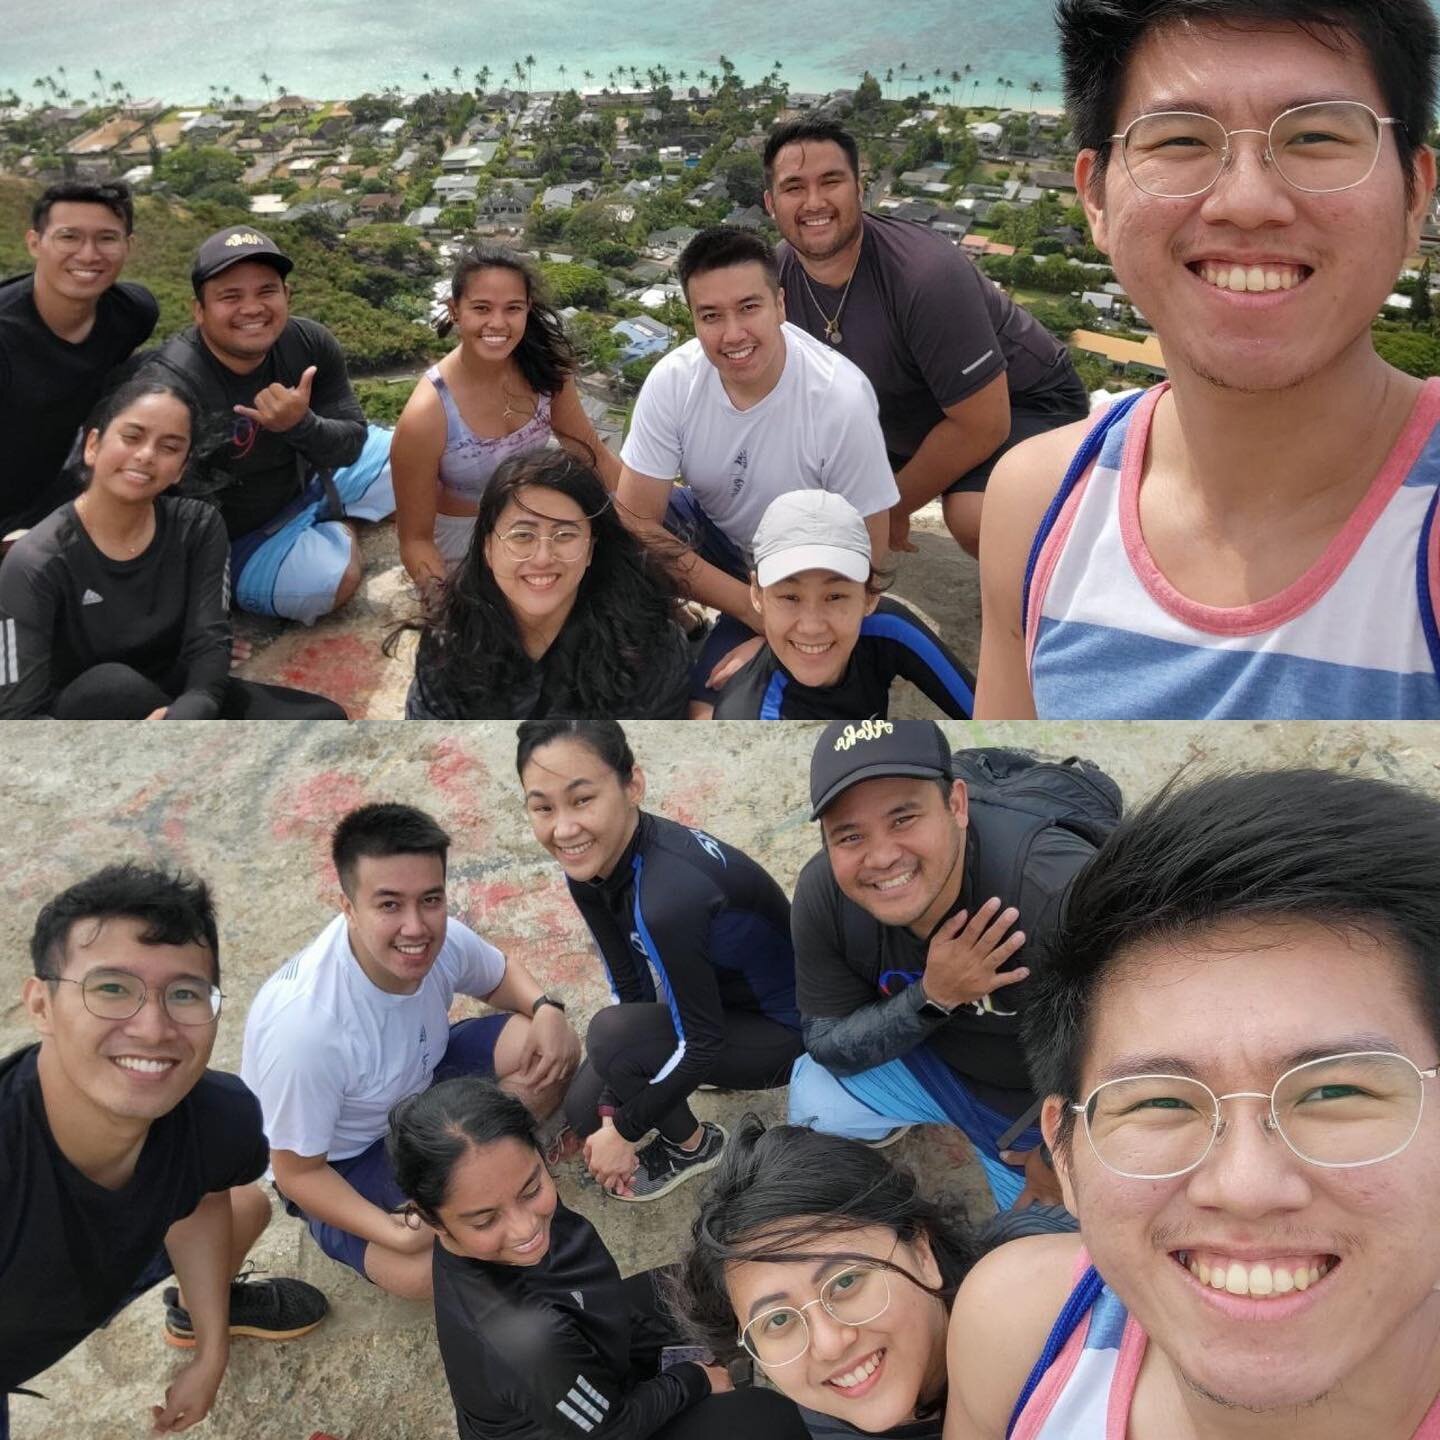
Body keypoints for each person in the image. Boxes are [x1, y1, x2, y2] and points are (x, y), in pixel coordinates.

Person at [975, 0, 1440, 720]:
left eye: (1315, 135)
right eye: (1182, 141)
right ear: (1094, 197)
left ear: (1417, 193)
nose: (1248, 202)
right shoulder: (1038, 507)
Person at [943, 767, 1440, 1440]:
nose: (1245, 1186)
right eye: (1161, 1104)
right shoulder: (1014, 1333)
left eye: (1334, 1091)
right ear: (1064, 1154)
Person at [1, 864, 328, 1440]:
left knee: (243, 1203)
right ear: (41, 1005)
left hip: (86, 1270)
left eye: (184, 993)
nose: (153, 1029)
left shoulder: (219, 1119)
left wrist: (210, 1351)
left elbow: (201, 1198)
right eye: (111, 989)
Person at [240, 803, 582, 1301]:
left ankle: (482, 1178)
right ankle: (369, 1221)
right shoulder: (305, 1033)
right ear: (348, 906)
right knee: (431, 1272)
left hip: (426, 1077)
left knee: (552, 1047)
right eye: (389, 905)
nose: (416, 927)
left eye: (430, 899)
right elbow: (295, 1173)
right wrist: (393, 1230)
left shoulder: (435, 938)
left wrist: (546, 1007)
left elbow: (502, 975)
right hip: (350, 1155)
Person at [787, 721, 1103, 1214]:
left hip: (1032, 1105)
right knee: (813, 1098)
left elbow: (1152, 1046)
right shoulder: (823, 892)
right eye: (849, 835)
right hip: (933, 1061)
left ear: (957, 804)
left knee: (1051, 1262)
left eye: (903, 818)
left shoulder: (1054, 890)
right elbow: (828, 1043)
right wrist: (932, 996)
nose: (883, 857)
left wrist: (1057, 1152)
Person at [388, 1077, 811, 1438]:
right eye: (484, 1221)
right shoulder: (524, 1339)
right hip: (581, 1418)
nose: (525, 1229)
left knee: (715, 1281)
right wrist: (693, 1379)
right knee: (768, 1419)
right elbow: (608, 1430)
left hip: (584, 1339)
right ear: (431, 1219)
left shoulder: (504, 1199)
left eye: (532, 1189)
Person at [762, 119, 1089, 559]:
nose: (814, 201)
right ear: (770, 203)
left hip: (1021, 403)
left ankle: (1046, 613)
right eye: (794, 187)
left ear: (860, 187)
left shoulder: (923, 274)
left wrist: (894, 507)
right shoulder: (777, 278)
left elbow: (985, 424)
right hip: (906, 416)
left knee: (975, 515)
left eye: (831, 181)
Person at [516, 719, 804, 1200]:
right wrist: (610, 1113)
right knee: (588, 1113)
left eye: (583, 799)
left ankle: (696, 1148)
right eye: (542, 808)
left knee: (613, 1044)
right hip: (715, 1002)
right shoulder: (589, 866)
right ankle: (651, 1086)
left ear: (633, 785)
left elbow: (701, 1043)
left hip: (786, 1031)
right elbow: (630, 992)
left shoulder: (667, 899)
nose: (563, 829)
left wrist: (625, 1130)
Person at [616, 226, 899, 710]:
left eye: (749, 308)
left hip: (798, 569)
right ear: (692, 320)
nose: (733, 334)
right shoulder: (674, 381)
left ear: (780, 306)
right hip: (714, 534)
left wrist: (778, 627)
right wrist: (748, 607)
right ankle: (663, 623)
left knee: (707, 709)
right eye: (711, 316)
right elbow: (636, 518)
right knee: (604, 529)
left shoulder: (839, 400)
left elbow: (869, 548)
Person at [0, 375, 347, 719]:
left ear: (181, 468)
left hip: (175, 698)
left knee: (325, 718)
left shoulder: (196, 527)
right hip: (81, 728)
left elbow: (209, 642)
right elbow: (17, 717)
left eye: (169, 447)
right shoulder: (34, 563)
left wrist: (189, 713)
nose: (146, 455)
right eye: (131, 437)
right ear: (93, 446)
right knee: (114, 686)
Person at [672, 1118, 994, 1439]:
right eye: (779, 1319)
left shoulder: (1034, 1289)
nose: (829, 1346)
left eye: (845, 1281)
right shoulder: (825, 1424)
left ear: (922, 1254)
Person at [146, 226, 394, 624]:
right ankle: (340, 530)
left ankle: (328, 520)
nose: (252, 308)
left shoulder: (308, 342)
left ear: (286, 296)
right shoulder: (171, 389)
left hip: (314, 478)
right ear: (199, 310)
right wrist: (200, 617)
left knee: (421, 456)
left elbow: (350, 444)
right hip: (244, 536)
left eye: (266, 292)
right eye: (230, 296)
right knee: (331, 583)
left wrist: (301, 424)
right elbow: (153, 511)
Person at [392, 245, 621, 596]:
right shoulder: (429, 413)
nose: (497, 324)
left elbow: (593, 456)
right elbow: (416, 540)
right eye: (481, 308)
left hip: (537, 523)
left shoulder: (543, 372)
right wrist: (444, 607)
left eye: (512, 308)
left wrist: (648, 518)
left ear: (527, 309)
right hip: (466, 541)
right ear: (455, 311)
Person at [396, 449, 692, 720]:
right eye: (522, 535)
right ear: (487, 548)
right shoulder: (451, 639)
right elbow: (430, 753)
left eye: (565, 535)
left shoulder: (650, 647)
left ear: (591, 549)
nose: (542, 558)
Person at [711, 490, 974, 720]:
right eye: (790, 597)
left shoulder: (888, 629)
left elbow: (985, 710)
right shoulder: (745, 714)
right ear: (757, 595)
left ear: (869, 596)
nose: (812, 626)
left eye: (835, 596)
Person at [0, 180, 158, 541]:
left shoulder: (132, 313)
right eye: (69, 237)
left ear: (127, 246)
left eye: (106, 238)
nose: (88, 255)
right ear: (35, 243)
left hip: (65, 495)